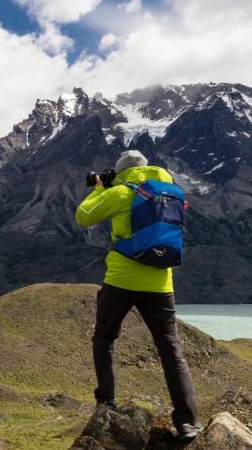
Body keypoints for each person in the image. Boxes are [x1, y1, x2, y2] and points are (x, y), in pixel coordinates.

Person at [75, 150, 203, 440]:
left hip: (121, 278)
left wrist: (98, 189)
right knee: (171, 349)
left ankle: (106, 402)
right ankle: (188, 421)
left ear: (119, 172)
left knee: (105, 338)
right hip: (161, 283)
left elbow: (83, 216)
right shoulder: (172, 192)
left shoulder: (121, 192)